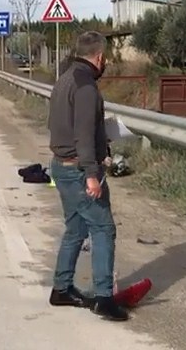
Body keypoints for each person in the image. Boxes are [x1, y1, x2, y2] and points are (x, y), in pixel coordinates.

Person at [47, 31, 128, 321]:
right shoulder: (85, 87)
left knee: (76, 229)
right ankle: (104, 298)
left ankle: (62, 288)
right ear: (100, 57)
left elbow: (63, 124)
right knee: (104, 229)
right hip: (78, 171)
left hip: (62, 164)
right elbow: (81, 133)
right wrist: (92, 174)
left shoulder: (65, 79)